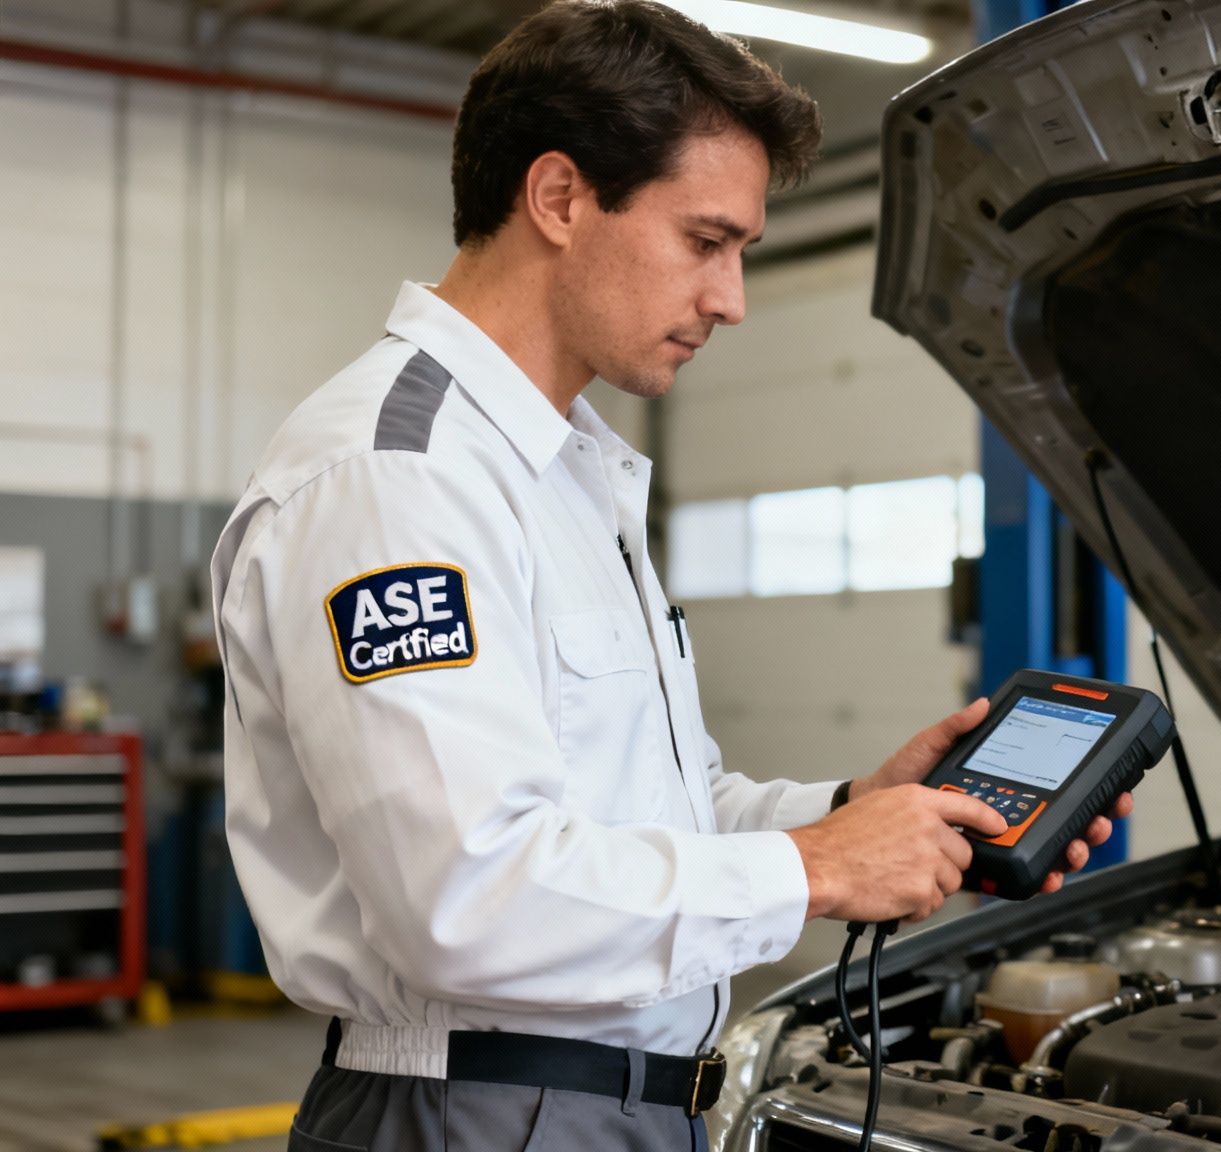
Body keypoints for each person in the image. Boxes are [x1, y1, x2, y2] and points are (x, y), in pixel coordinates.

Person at [207, 3, 1133, 1147]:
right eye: (704, 241)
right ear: (557, 199)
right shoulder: (399, 480)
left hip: (611, 1107)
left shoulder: (567, 468)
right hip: (481, 1113)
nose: (730, 299)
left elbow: (652, 813)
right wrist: (813, 870)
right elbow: (466, 900)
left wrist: (850, 811)